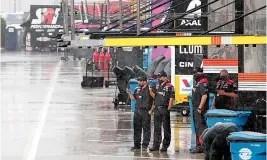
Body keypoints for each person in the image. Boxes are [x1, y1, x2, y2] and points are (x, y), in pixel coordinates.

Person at [149, 71, 175, 152]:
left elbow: (172, 98)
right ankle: (156, 145)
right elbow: (154, 96)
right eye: (158, 77)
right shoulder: (157, 85)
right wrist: (150, 90)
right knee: (157, 128)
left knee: (166, 128)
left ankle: (165, 146)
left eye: (160, 77)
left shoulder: (170, 86)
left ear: (165, 77)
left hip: (164, 108)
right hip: (157, 108)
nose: (159, 78)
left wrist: (168, 109)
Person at [127, 76, 153, 151]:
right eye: (139, 81)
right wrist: (129, 92)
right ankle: (136, 145)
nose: (140, 82)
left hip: (145, 111)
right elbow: (133, 98)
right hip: (137, 111)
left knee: (146, 130)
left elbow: (154, 100)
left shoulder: (149, 89)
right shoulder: (137, 89)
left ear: (145, 81)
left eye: (141, 81)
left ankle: (145, 145)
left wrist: (151, 110)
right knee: (137, 129)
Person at [190, 67, 209, 153]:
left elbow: (204, 96)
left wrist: (200, 108)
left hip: (199, 108)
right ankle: (199, 146)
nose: (194, 74)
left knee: (200, 127)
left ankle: (202, 146)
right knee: (197, 128)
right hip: (195, 107)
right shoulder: (197, 82)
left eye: (196, 73)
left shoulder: (203, 82)